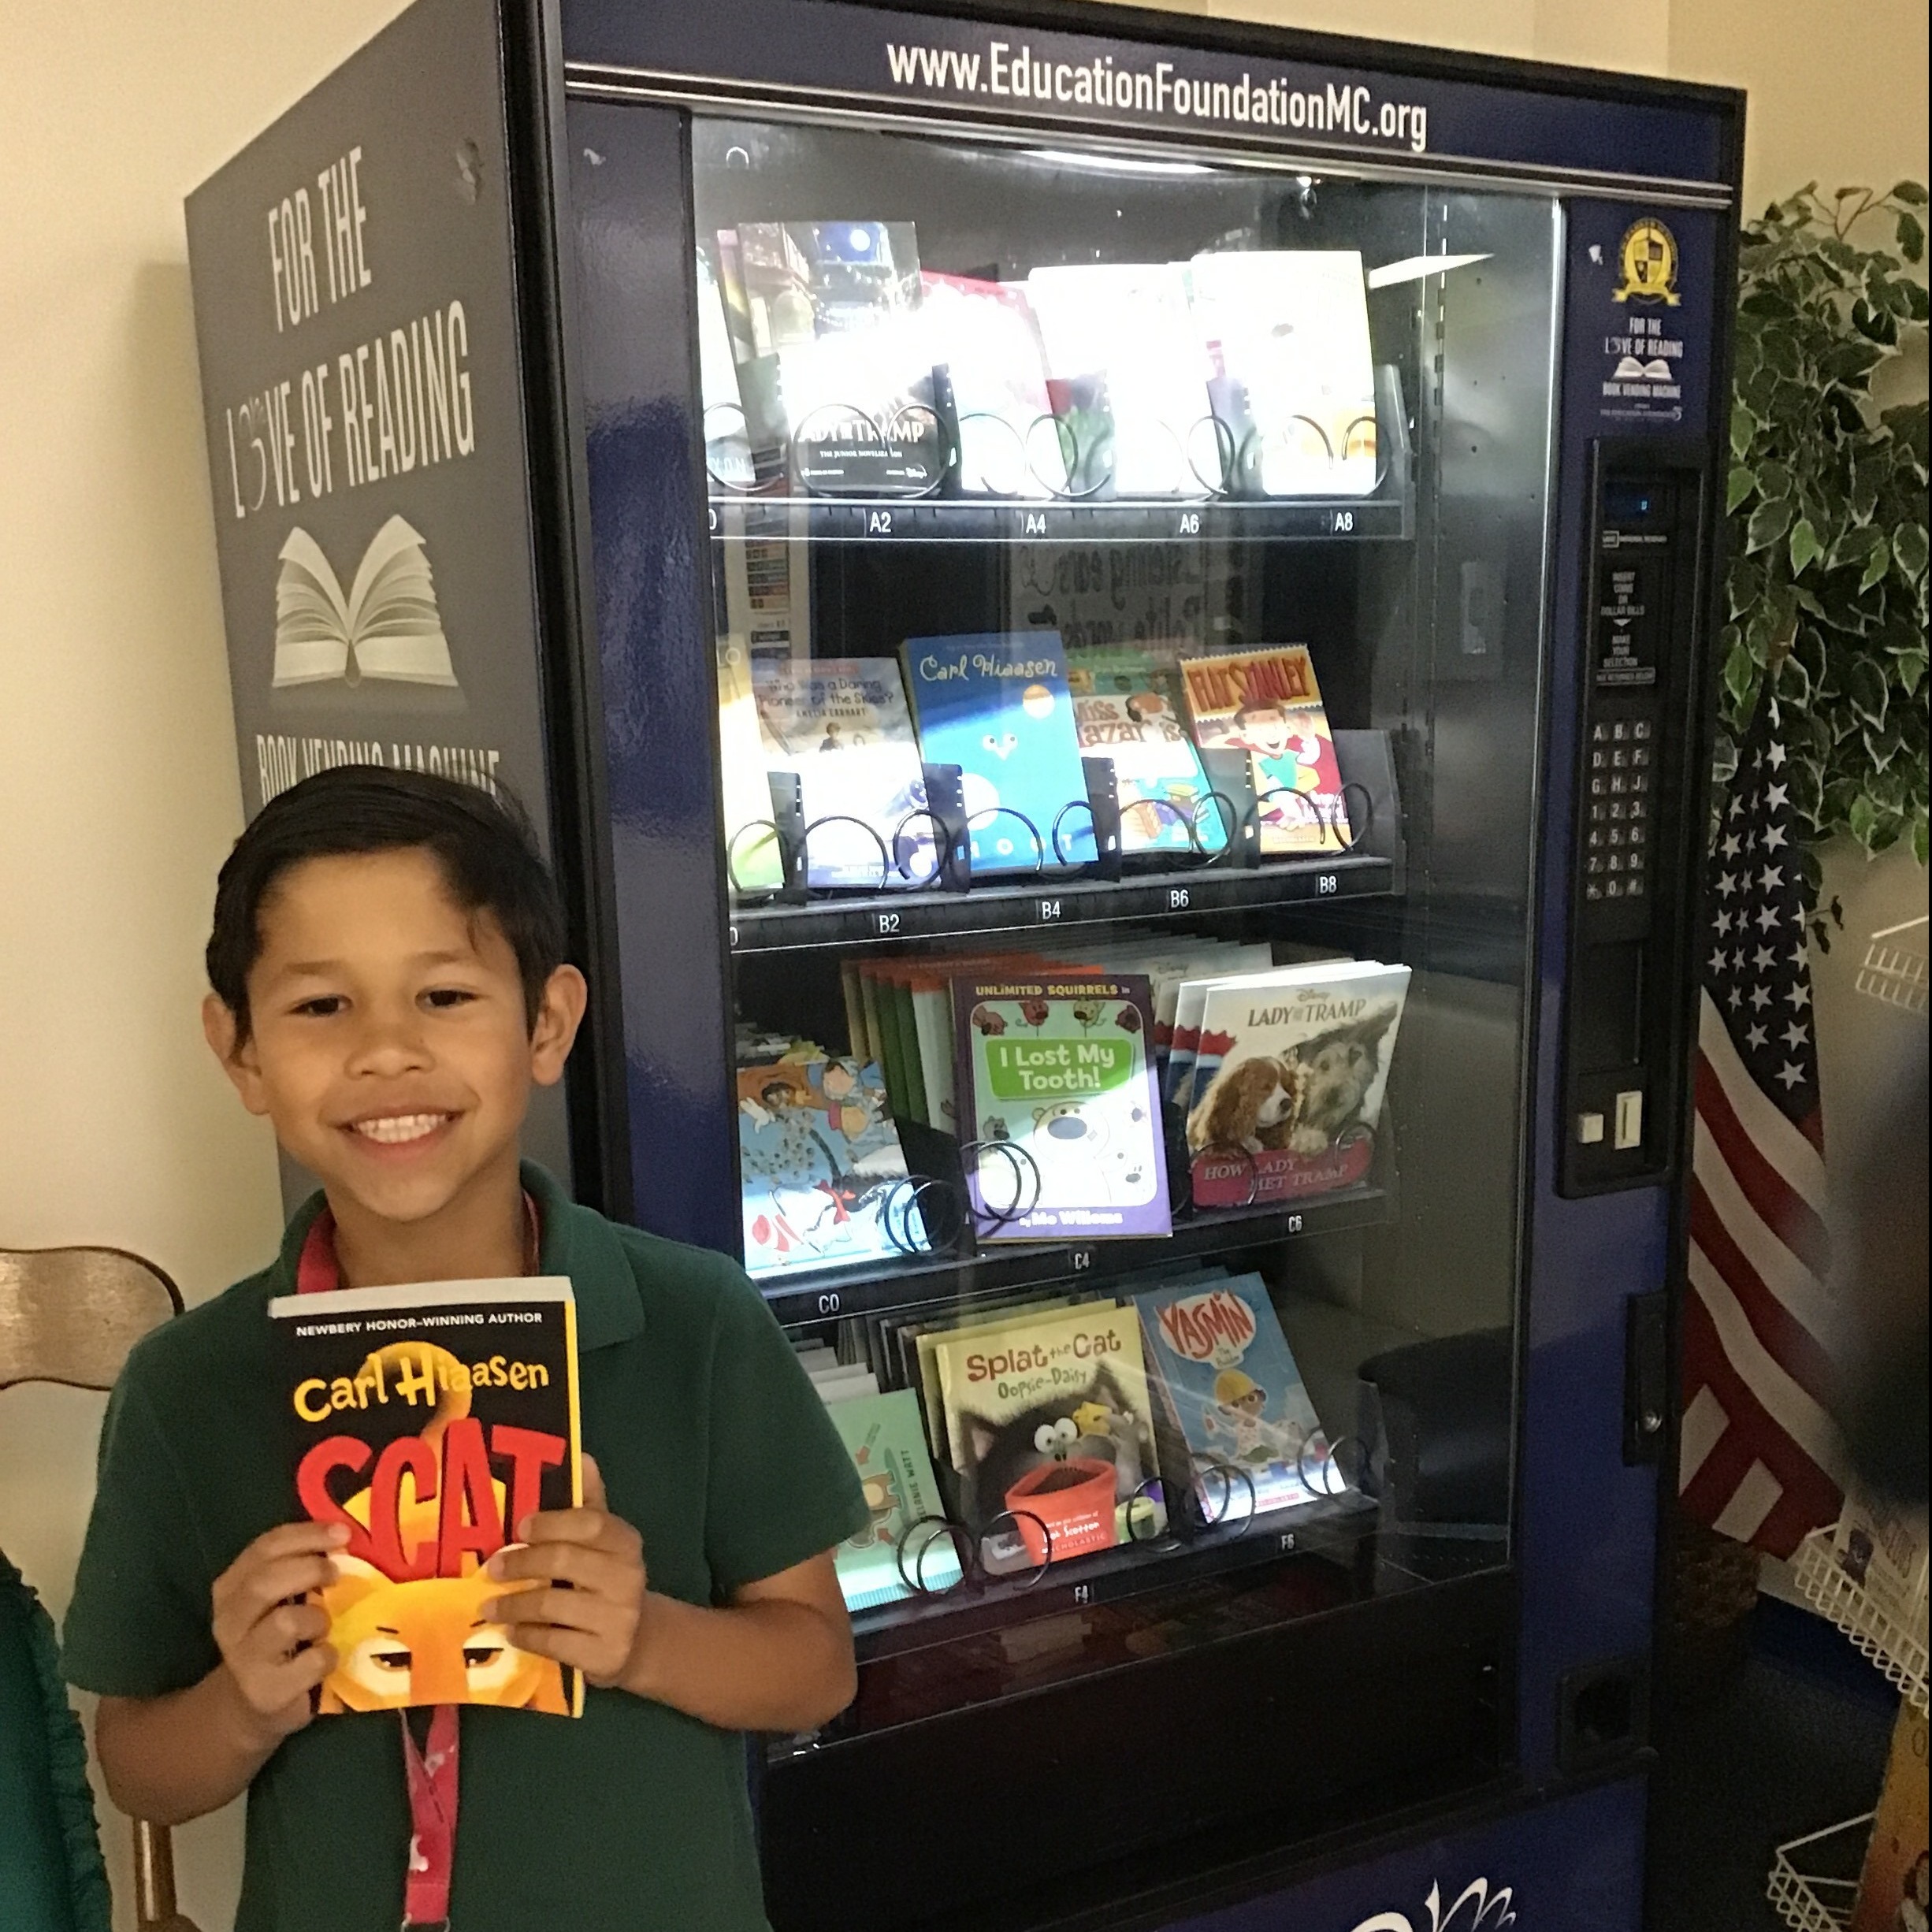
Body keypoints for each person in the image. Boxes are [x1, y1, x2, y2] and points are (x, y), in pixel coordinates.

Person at [60, 767, 866, 1932]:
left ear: (546, 1024)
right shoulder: (193, 1384)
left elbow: (816, 1667)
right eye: (321, 1008)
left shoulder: (694, 1324)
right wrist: (243, 1700)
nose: (387, 1053)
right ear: (236, 1051)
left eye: (442, 997)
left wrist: (643, 1639)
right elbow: (138, 1764)